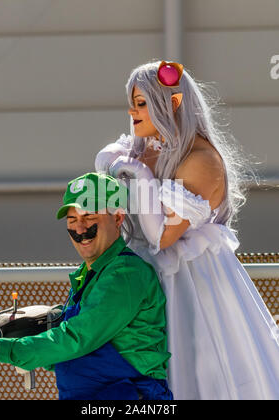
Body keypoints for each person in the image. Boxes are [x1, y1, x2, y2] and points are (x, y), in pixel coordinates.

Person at [95, 60, 279, 400]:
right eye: (132, 103)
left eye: (141, 103)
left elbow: (161, 237)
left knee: (199, 371)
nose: (132, 112)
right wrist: (120, 162)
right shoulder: (151, 147)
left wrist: (140, 175)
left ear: (172, 105)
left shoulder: (201, 161)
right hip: (142, 281)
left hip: (191, 284)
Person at [0, 172, 173, 400]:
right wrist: (30, 351)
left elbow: (77, 338)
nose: (80, 229)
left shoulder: (125, 274)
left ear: (118, 218)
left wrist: (2, 349)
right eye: (72, 220)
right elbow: (79, 356)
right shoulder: (88, 275)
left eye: (89, 217)